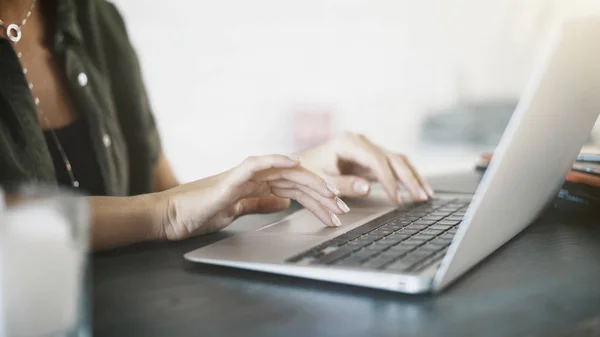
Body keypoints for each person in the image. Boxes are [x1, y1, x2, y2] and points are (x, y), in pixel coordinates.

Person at [0, 0, 434, 251]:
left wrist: (281, 175)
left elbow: (164, 190)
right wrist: (165, 213)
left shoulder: (95, 18)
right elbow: (164, 207)